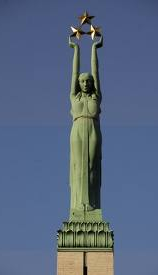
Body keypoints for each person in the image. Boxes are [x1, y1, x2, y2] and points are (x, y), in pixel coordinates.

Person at [69, 35, 103, 211]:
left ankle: (92, 202)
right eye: (82, 81)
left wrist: (94, 49)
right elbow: (74, 72)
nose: (85, 83)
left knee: (91, 165)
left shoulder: (96, 96)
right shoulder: (74, 96)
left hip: (93, 129)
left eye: (88, 81)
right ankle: (78, 203)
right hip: (77, 129)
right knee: (78, 165)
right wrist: (76, 49)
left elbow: (96, 73)